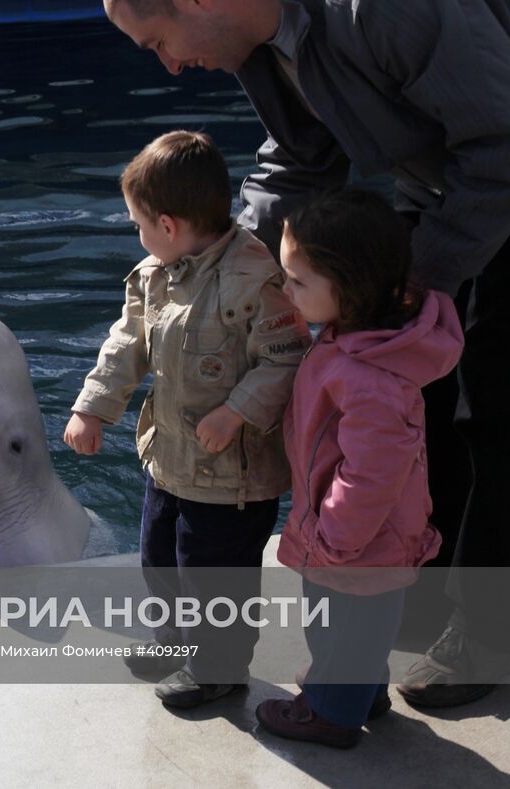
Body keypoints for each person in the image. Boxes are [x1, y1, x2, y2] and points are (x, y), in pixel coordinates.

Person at [101, 0, 510, 708]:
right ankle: (422, 580)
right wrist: (224, 266)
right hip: (453, 149)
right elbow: (304, 153)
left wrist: (417, 286)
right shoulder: (259, 33)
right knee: (412, 377)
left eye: (157, 43)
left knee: (504, 390)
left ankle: (491, 629)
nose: (169, 66)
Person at [63, 130, 309, 708]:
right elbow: (128, 343)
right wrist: (92, 405)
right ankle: (175, 642)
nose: (139, 235)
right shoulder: (155, 273)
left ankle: (217, 669)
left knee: (215, 578)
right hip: (170, 459)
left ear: (168, 225)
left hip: (231, 478)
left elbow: (288, 359)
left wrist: (235, 412)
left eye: (138, 223)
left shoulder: (255, 278)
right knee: (161, 558)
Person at [256, 189, 463, 747]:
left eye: (296, 281)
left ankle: (330, 714)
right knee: (356, 626)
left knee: (342, 620)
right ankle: (358, 688)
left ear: (347, 290)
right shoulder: (358, 342)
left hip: (357, 534)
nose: (284, 289)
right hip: (365, 531)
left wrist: (336, 535)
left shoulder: (370, 379)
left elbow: (373, 471)